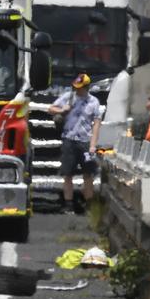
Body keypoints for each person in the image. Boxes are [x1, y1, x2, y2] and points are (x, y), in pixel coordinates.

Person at [47, 73, 104, 214]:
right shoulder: (68, 97)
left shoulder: (94, 102)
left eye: (80, 87)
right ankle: (68, 203)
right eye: (75, 87)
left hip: (85, 141)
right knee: (68, 173)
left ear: (86, 87)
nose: (77, 90)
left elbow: (96, 124)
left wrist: (93, 144)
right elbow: (50, 109)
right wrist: (62, 110)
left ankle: (89, 205)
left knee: (88, 173)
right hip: (69, 139)